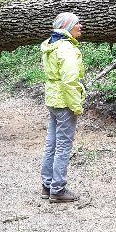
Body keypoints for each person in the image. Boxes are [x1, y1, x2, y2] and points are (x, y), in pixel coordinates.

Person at [39, 11, 85, 203]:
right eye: (77, 23)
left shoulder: (52, 45)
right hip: (64, 101)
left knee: (52, 144)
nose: (81, 26)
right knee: (63, 146)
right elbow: (69, 80)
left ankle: (47, 185)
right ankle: (57, 190)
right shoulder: (66, 48)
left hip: (53, 100)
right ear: (67, 27)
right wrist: (76, 106)